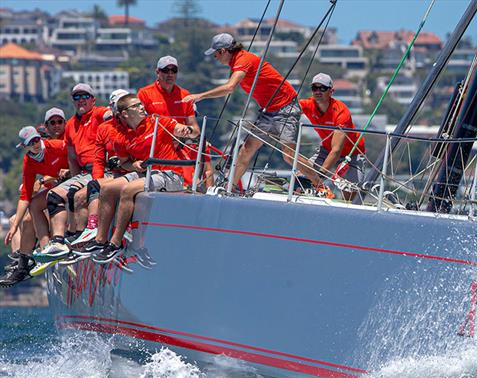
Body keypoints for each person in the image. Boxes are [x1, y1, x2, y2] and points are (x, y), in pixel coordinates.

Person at [183, 33, 328, 196]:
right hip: (269, 111)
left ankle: (321, 186)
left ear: (223, 51)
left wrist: (199, 96)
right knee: (246, 149)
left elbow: (230, 88)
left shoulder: (242, 61)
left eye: (216, 53)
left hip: (286, 108)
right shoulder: (236, 63)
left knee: (288, 156)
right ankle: (228, 189)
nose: (215, 57)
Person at [91, 93, 198, 264]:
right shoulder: (122, 137)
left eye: (141, 104)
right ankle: (100, 240)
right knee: (107, 188)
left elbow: (184, 130)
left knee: (128, 190)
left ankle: (115, 243)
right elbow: (124, 163)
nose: (142, 107)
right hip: (146, 172)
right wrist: (134, 166)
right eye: (136, 106)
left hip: (169, 174)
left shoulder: (157, 122)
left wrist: (188, 131)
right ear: (125, 113)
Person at [35, 84, 107, 262]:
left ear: (93, 99)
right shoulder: (71, 125)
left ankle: (82, 237)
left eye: (85, 96)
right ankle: (59, 241)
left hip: (103, 168)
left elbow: (109, 114)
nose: (81, 99)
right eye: (76, 97)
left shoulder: (98, 114)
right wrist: (74, 179)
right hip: (83, 171)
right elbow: (73, 157)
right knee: (54, 196)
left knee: (80, 195)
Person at [0, 126, 69, 286]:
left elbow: (76, 157)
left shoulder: (56, 146)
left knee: (29, 217)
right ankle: (21, 262)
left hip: (68, 187)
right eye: (31, 142)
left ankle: (39, 252)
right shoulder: (29, 161)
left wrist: (44, 181)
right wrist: (14, 226)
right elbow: (25, 196)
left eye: (37, 139)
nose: (36, 144)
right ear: (25, 146)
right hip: (53, 196)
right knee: (14, 221)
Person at [138, 56, 214, 188]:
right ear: (158, 72)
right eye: (165, 70)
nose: (170, 74)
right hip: (153, 148)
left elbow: (195, 130)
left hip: (179, 147)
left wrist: (183, 134)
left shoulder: (185, 95)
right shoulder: (144, 94)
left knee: (191, 183)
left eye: (173, 70)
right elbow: (139, 127)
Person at [69, 89, 132, 248]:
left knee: (98, 188)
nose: (119, 112)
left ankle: (100, 235)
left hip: (131, 172)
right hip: (115, 173)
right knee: (92, 187)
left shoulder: (135, 125)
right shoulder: (105, 128)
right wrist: (98, 178)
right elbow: (98, 159)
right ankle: (86, 233)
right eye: (116, 107)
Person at [299, 73, 367, 201]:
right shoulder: (308, 105)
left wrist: (321, 175)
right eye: (315, 88)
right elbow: (289, 108)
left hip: (352, 154)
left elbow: (336, 150)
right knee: (302, 177)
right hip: (326, 150)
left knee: (350, 196)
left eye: (323, 88)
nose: (318, 91)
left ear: (331, 91)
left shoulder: (341, 111)